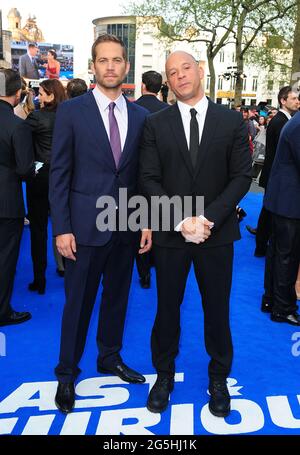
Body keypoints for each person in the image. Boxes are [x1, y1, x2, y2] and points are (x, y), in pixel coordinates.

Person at [139, 51, 252, 417]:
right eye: (172, 72)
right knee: (166, 308)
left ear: (200, 71)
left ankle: (218, 377)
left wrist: (207, 219)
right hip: (172, 236)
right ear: (167, 82)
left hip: (216, 235)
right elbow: (148, 179)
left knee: (216, 309)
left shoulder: (232, 120)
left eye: (186, 68)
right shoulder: (155, 124)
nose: (180, 76)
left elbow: (241, 176)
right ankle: (164, 375)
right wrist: (180, 220)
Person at [49, 34, 151, 414]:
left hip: (125, 227)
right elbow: (59, 173)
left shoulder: (142, 116)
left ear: (127, 67)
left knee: (117, 300)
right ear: (93, 66)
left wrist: (145, 222)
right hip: (82, 229)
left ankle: (109, 357)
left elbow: (141, 176)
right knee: (77, 304)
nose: (110, 66)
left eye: (117, 60)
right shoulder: (71, 112)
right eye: (103, 60)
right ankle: (66, 373)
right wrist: (61, 228)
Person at [246, 87, 299, 259]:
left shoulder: (283, 120)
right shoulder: (282, 121)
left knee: (268, 210)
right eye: (294, 98)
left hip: (274, 174)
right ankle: (261, 245)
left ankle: (261, 243)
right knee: (269, 212)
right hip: (276, 176)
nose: (298, 101)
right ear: (283, 101)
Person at [0, 69, 35, 326]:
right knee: (5, 259)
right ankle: (2, 311)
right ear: (17, 93)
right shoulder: (18, 126)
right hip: (7, 203)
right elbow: (24, 169)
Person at [25, 79, 67, 294]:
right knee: (67, 226)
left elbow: (21, 140)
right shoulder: (70, 116)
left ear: (51, 95)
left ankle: (39, 279)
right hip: (65, 178)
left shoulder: (36, 118)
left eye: (41, 93)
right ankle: (69, 272)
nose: (38, 97)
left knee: (38, 230)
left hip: (39, 178)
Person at [262, 110, 300, 325]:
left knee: (277, 253)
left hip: (284, 200)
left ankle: (271, 300)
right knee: (287, 256)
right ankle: (283, 308)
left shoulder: (295, 121)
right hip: (290, 202)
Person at [134, 70, 168, 288]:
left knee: (139, 223)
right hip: (162, 178)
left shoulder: (132, 110)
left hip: (137, 178)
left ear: (143, 85)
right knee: (159, 221)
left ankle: (143, 272)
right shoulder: (169, 111)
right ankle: (157, 261)